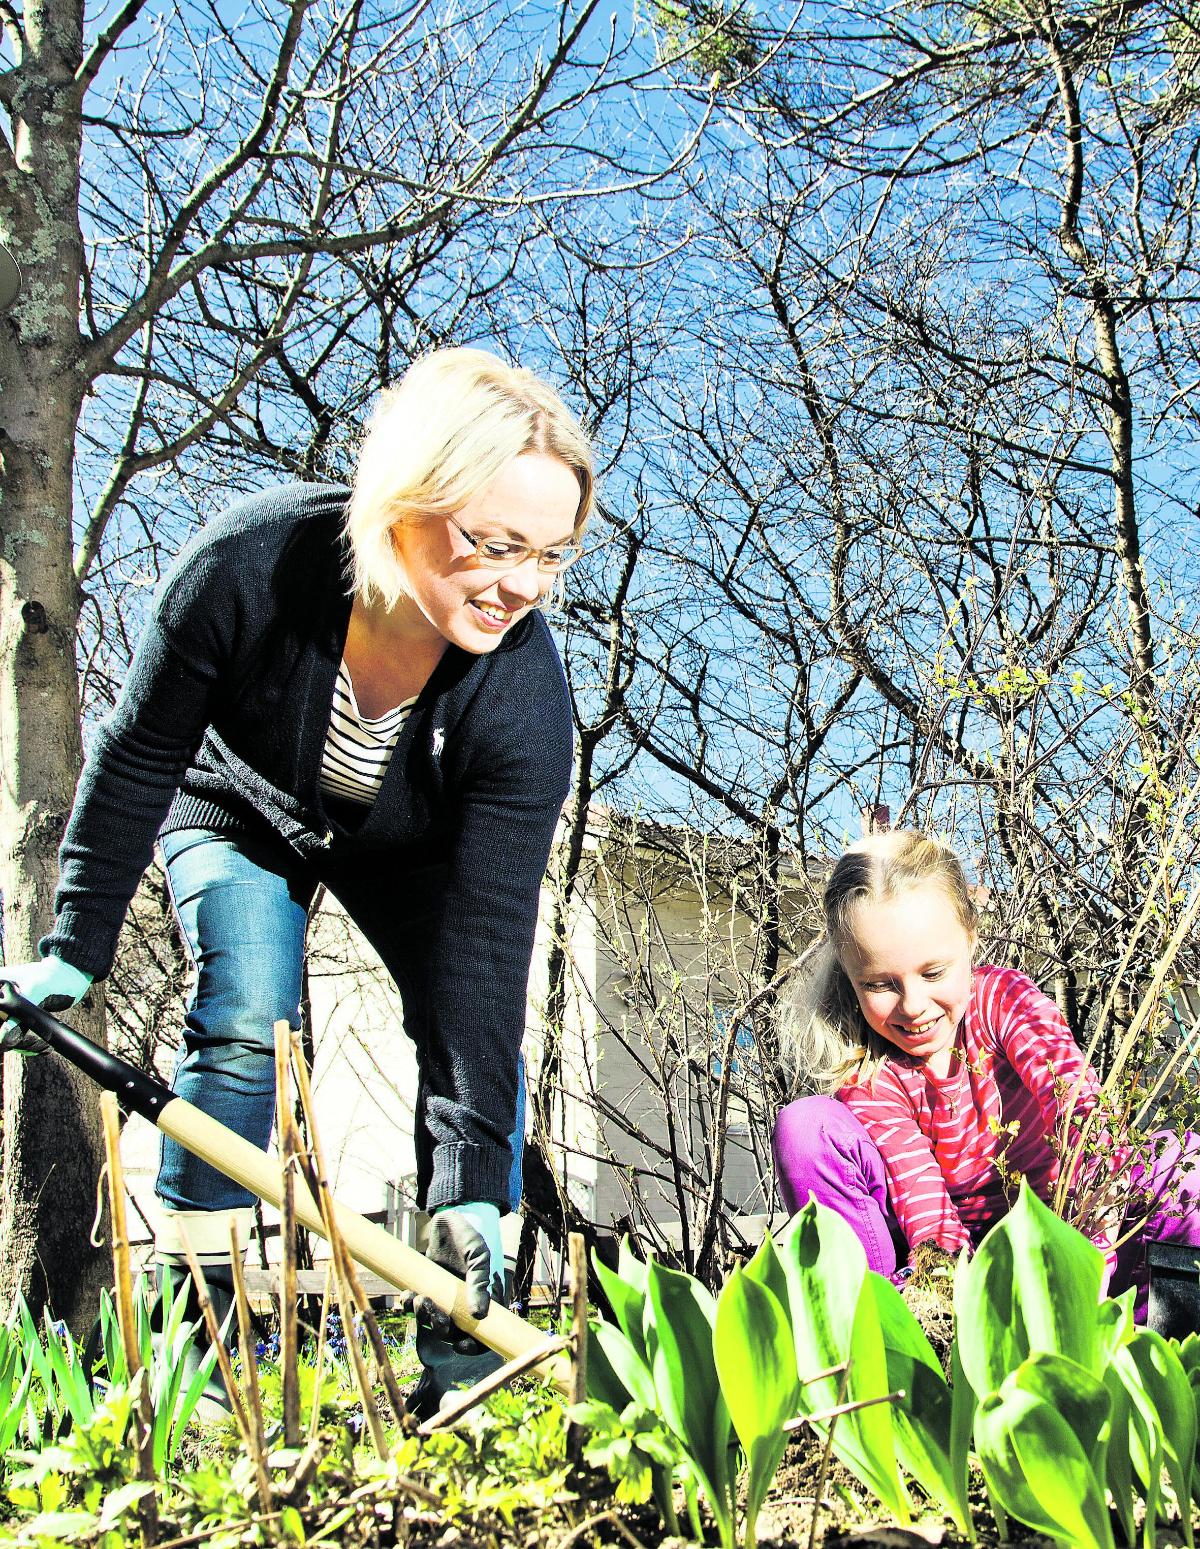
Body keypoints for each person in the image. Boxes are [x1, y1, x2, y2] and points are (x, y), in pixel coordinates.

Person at [0, 347, 594, 1414]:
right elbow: (138, 752)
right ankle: (203, 1342)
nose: (523, 585)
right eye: (494, 542)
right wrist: (75, 947)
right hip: (233, 805)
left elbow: (484, 960)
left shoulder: (522, 701)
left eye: (552, 555)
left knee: (469, 1050)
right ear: (407, 495)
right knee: (246, 1013)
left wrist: (476, 1188)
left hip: (413, 850)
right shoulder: (249, 563)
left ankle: (458, 1348)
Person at [772, 830, 1200, 1326]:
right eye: (880, 984)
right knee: (807, 1127)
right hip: (971, 1264)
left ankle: (1169, 1350)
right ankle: (877, 1334)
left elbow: (1088, 1122)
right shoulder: (868, 1072)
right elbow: (924, 1203)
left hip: (1075, 1231)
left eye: (933, 973)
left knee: (1184, 1170)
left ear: (970, 937)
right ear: (849, 975)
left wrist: (1081, 1281)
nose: (913, 1007)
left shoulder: (1003, 1002)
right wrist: (950, 1304)